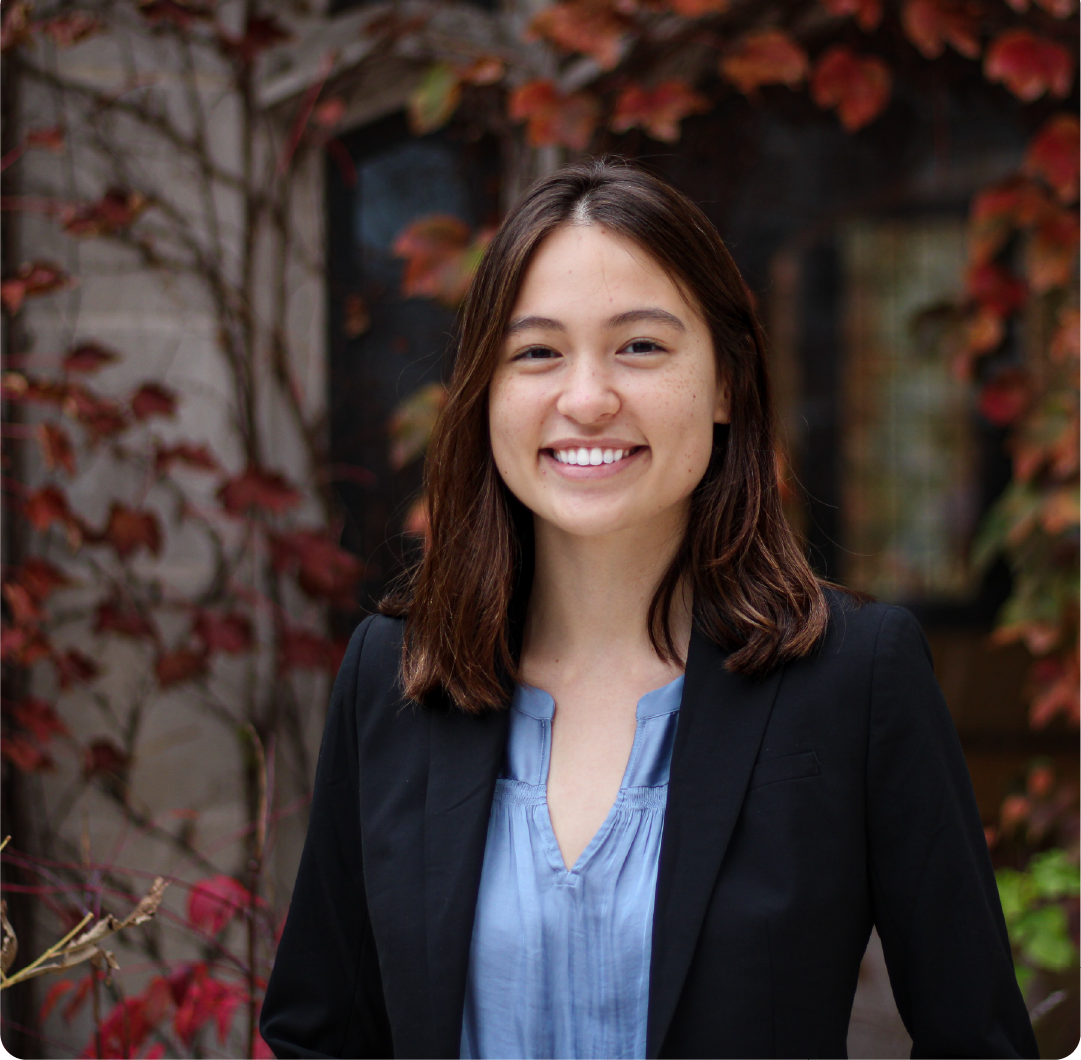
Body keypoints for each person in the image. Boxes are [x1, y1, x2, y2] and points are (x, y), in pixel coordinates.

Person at [260, 159, 1038, 1060]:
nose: (586, 400)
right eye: (537, 352)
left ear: (723, 386)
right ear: (485, 393)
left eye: (640, 346)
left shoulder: (855, 677)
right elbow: (321, 1035)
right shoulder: (394, 675)